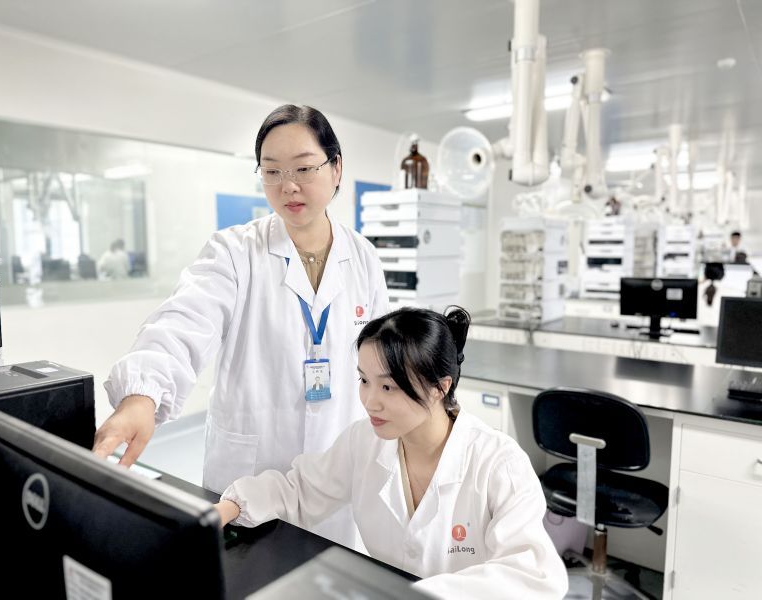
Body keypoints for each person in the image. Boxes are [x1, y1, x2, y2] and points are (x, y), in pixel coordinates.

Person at [93, 105, 390, 546]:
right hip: (248, 470)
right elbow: (184, 320)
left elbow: (383, 360)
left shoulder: (363, 258)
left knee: (332, 568)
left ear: (336, 168)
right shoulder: (234, 252)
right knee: (247, 570)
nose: (288, 186)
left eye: (304, 168)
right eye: (271, 171)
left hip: (337, 466)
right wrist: (142, 394)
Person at [214, 307, 568, 599]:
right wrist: (228, 509)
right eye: (364, 381)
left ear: (439, 387)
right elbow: (301, 491)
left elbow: (531, 578)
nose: (370, 401)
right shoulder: (364, 442)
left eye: (388, 386)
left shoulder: (498, 464)